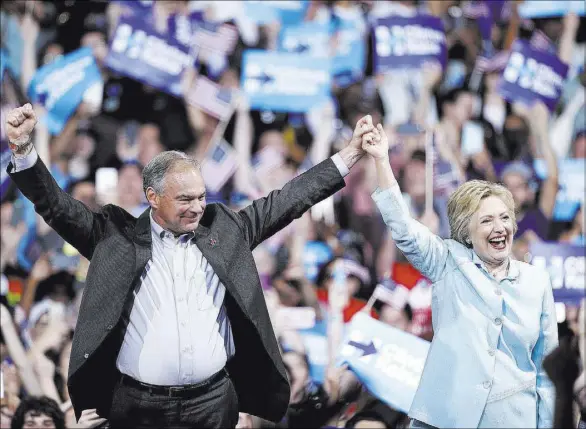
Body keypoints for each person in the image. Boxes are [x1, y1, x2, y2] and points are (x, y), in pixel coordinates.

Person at [4, 103, 375, 428]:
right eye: (185, 199)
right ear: (153, 197)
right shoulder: (114, 237)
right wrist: (22, 148)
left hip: (212, 405)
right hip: (137, 408)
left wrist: (350, 154)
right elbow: (56, 205)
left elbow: (291, 199)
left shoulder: (228, 230)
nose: (197, 207)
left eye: (200, 196)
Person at [361, 124, 558, 428]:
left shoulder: (537, 282)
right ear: (467, 232)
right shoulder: (448, 261)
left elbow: (547, 370)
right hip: (445, 419)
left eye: (505, 217)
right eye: (487, 220)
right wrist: (382, 160)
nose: (500, 227)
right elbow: (402, 226)